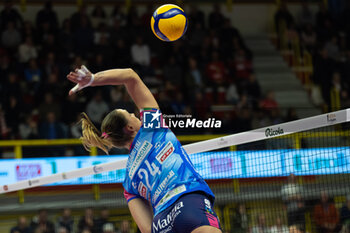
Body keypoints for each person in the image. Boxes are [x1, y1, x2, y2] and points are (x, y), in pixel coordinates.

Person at [66, 66, 222, 233]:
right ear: (130, 127)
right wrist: (92, 79)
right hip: (188, 201)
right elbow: (130, 76)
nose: (134, 115)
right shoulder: (152, 128)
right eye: (129, 114)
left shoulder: (129, 179)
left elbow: (146, 229)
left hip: (162, 224)